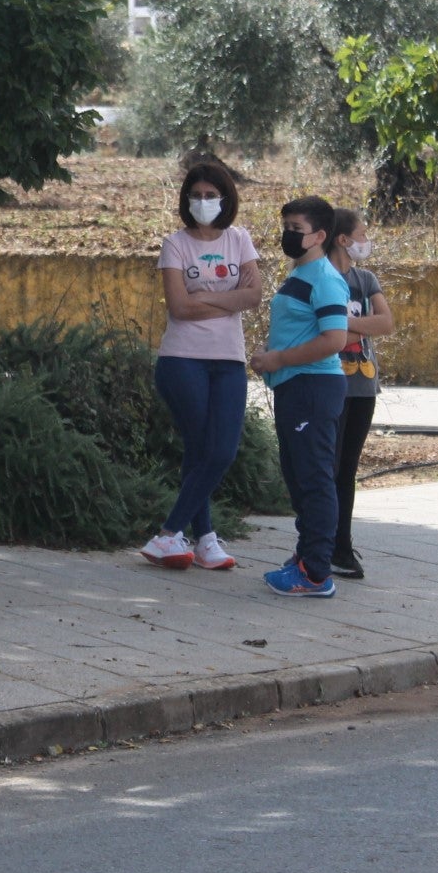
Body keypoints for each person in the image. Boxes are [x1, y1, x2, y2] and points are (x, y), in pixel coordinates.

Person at [139, 161, 263, 571]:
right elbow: (179, 307)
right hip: (182, 360)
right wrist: (228, 298)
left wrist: (203, 299)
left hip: (229, 361)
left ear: (225, 199)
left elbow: (254, 296)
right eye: (197, 195)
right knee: (204, 448)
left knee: (217, 450)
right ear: (186, 199)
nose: (204, 202)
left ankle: (186, 535)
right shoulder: (175, 245)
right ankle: (191, 538)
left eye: (212, 196)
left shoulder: (240, 239)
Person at [249, 195, 350, 598]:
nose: (287, 235)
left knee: (313, 478)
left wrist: (277, 359)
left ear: (320, 236)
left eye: (296, 229)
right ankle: (307, 557)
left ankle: (315, 573)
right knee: (299, 476)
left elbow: (335, 339)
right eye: (285, 227)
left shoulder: (325, 279)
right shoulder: (301, 275)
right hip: (297, 387)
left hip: (312, 387)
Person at [327, 208, 394, 580]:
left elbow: (386, 321)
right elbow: (320, 332)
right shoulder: (318, 278)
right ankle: (319, 543)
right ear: (342, 239)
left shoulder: (365, 278)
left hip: (363, 384)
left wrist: (343, 327)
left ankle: (342, 545)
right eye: (362, 234)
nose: (366, 241)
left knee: (347, 469)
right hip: (330, 382)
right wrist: (354, 329)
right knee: (328, 467)